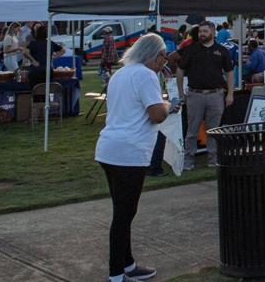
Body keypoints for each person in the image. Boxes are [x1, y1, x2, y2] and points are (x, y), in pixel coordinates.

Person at [94, 33, 174, 282]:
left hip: (109, 148)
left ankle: (127, 264)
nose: (164, 62)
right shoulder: (147, 75)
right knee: (124, 215)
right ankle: (116, 273)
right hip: (129, 152)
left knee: (123, 211)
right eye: (163, 57)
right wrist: (169, 105)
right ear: (157, 55)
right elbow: (157, 114)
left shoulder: (121, 73)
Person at [176, 21, 235, 170]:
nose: (202, 34)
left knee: (213, 130)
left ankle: (213, 159)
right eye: (201, 31)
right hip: (195, 95)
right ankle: (188, 160)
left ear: (213, 32)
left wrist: (230, 94)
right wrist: (180, 92)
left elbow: (229, 72)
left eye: (205, 31)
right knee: (192, 131)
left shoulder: (222, 51)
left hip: (216, 95)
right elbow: (180, 70)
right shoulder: (190, 49)